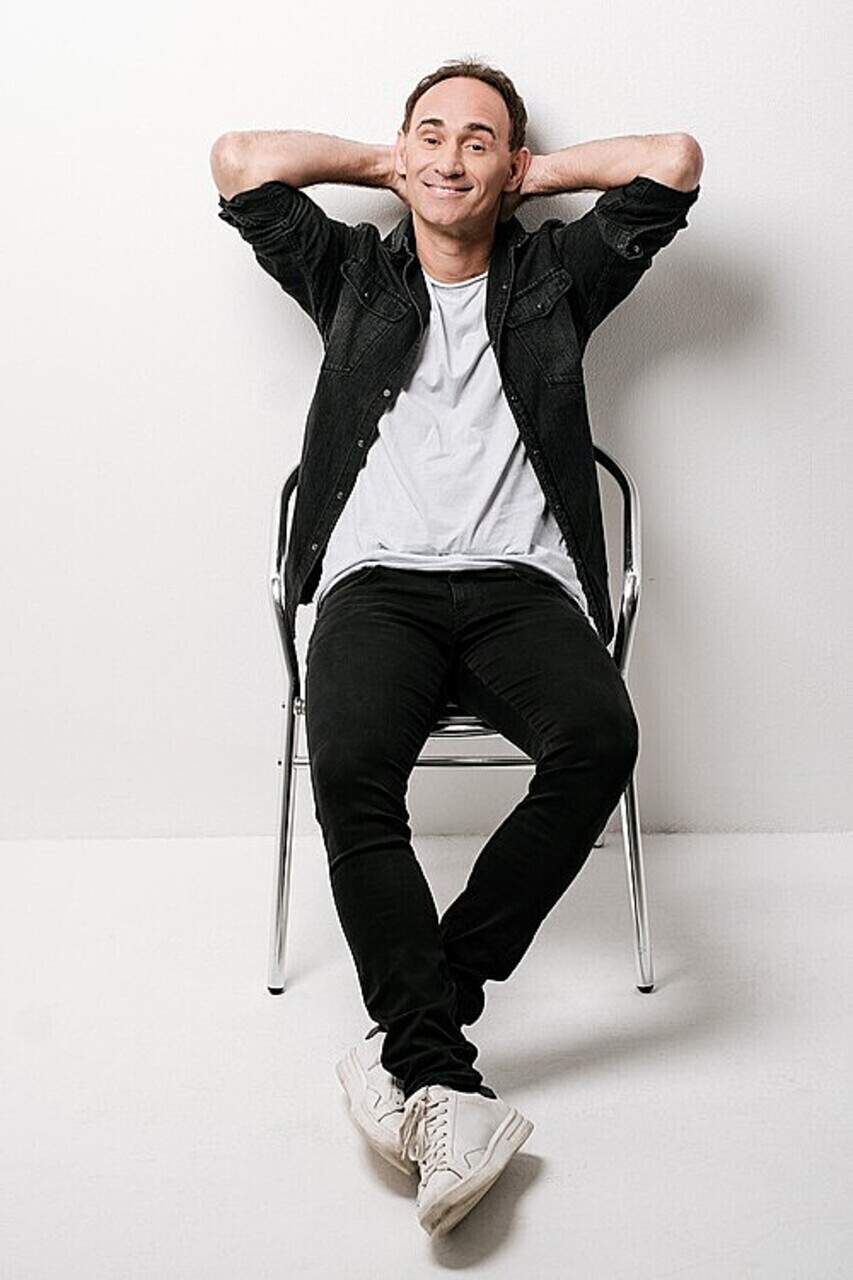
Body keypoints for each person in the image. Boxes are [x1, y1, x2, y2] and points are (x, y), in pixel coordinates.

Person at [211, 59, 702, 1237]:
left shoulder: (557, 279)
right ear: (399, 151)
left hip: (518, 588)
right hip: (374, 587)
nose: (448, 155)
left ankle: (416, 1034)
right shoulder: (348, 273)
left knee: (599, 738)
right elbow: (238, 163)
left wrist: (526, 176)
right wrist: (390, 164)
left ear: (511, 165)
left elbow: (673, 162)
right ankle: (441, 1074)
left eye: (477, 140)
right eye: (428, 134)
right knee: (350, 769)